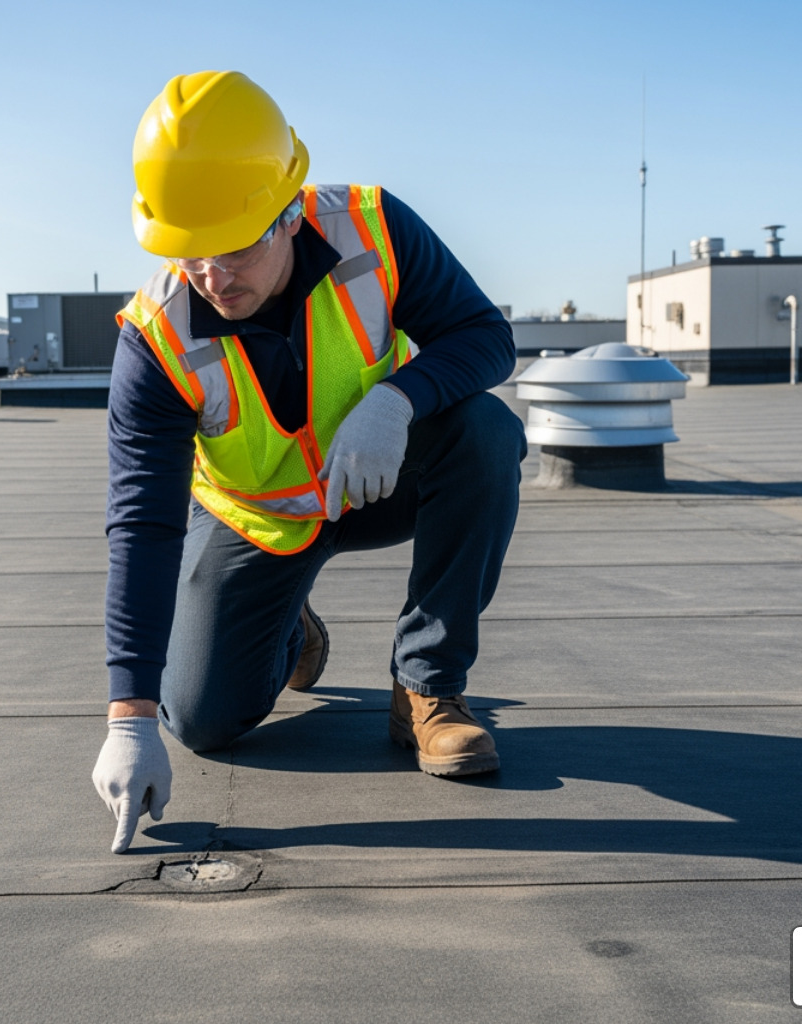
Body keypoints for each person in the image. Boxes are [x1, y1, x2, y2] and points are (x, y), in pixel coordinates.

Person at [91, 71, 527, 853]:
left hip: (377, 476)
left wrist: (399, 399)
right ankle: (288, 630)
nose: (213, 279)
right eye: (190, 254)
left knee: (485, 432)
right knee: (202, 720)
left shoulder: (374, 228)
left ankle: (427, 689)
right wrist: (129, 719)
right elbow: (142, 523)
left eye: (234, 248)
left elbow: (486, 338)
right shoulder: (152, 341)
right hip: (258, 519)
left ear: (290, 212)